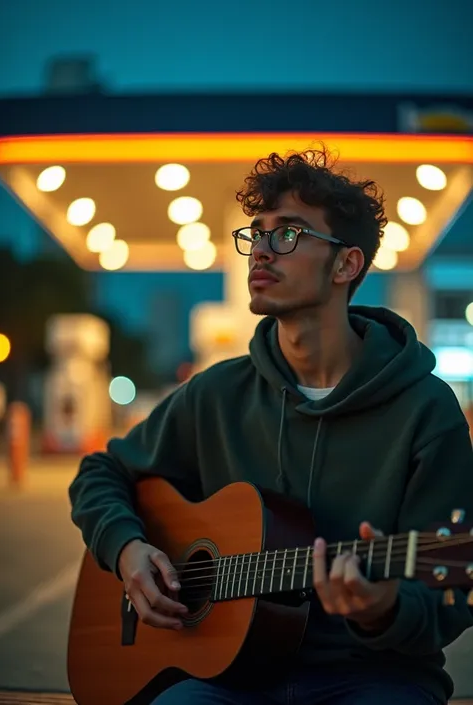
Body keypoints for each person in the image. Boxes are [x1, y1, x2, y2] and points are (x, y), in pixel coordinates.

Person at [69, 148, 473, 705]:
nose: (260, 249)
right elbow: (101, 471)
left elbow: (447, 603)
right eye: (256, 233)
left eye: (287, 234)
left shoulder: (425, 411)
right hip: (225, 679)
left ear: (346, 265)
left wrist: (385, 610)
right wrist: (128, 550)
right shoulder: (216, 393)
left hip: (374, 676)